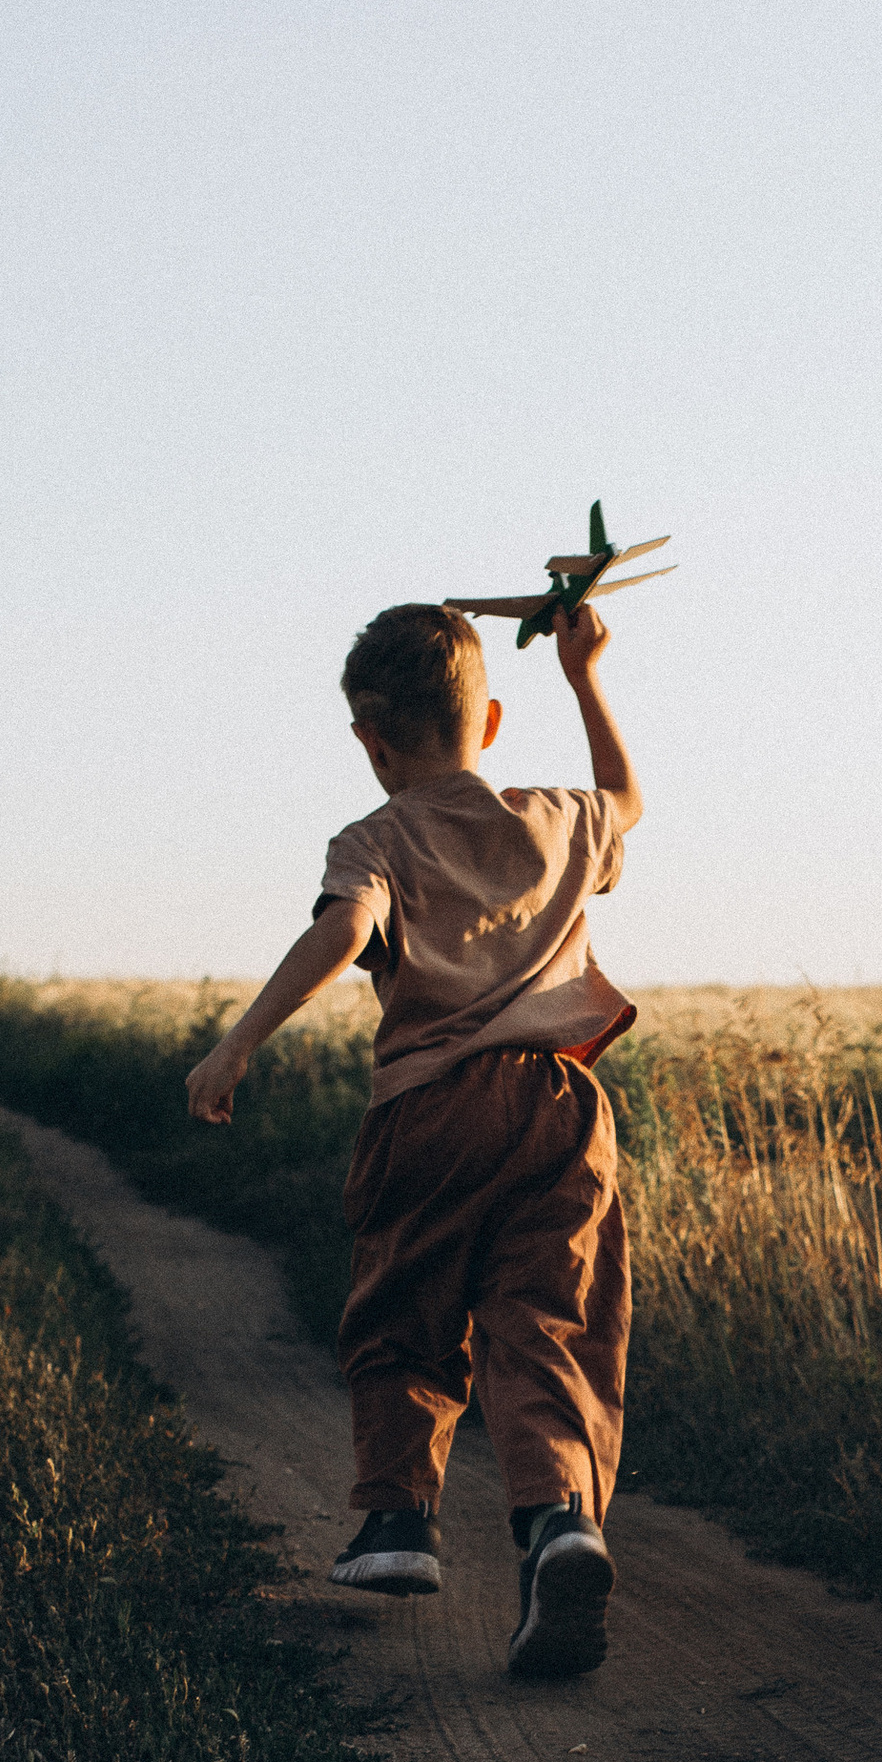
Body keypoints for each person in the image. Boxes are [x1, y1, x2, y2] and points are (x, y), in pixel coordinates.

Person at [184, 593, 641, 1680]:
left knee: (402, 1306)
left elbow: (345, 928)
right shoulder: (555, 818)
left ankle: (396, 1525)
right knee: (545, 1323)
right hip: (563, 1110)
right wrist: (586, 676)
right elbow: (627, 797)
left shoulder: (374, 836)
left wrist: (237, 1043)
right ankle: (557, 1518)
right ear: (488, 722)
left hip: (429, 1108)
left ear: (369, 741)